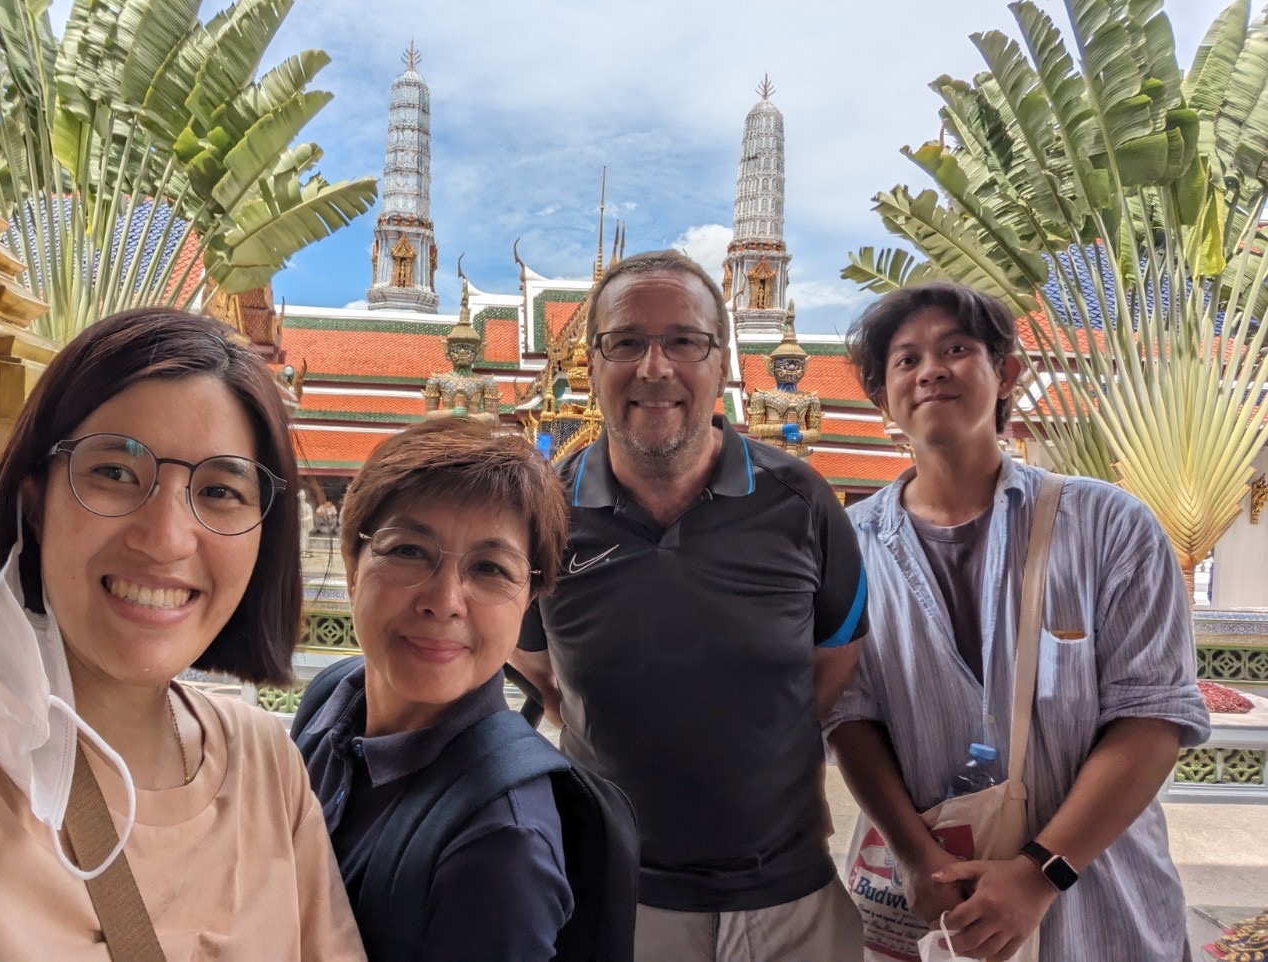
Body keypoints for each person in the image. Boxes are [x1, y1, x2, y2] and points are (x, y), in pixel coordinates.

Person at [828, 282, 1210, 960]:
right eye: (906, 361)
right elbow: (849, 717)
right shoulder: (845, 546)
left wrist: (1040, 875)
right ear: (881, 399)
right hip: (941, 905)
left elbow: (1152, 717)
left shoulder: (1109, 527)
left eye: (956, 349)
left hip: (1102, 900)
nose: (932, 371)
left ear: (1006, 374)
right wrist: (917, 860)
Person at [511, 249, 869, 961]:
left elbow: (832, 668)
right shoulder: (539, 513)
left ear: (721, 360)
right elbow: (539, 674)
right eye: (626, 342)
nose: (654, 367)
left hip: (788, 900)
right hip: (615, 897)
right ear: (592, 358)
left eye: (684, 340)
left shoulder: (803, 502)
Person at [0, 308, 363, 959]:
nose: (164, 538)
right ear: (34, 501)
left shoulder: (265, 763)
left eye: (220, 490)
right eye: (112, 472)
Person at [293, 419, 578, 961]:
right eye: (408, 551)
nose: (444, 600)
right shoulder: (333, 698)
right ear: (353, 567)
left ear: (528, 602)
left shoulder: (502, 843)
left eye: (490, 568)